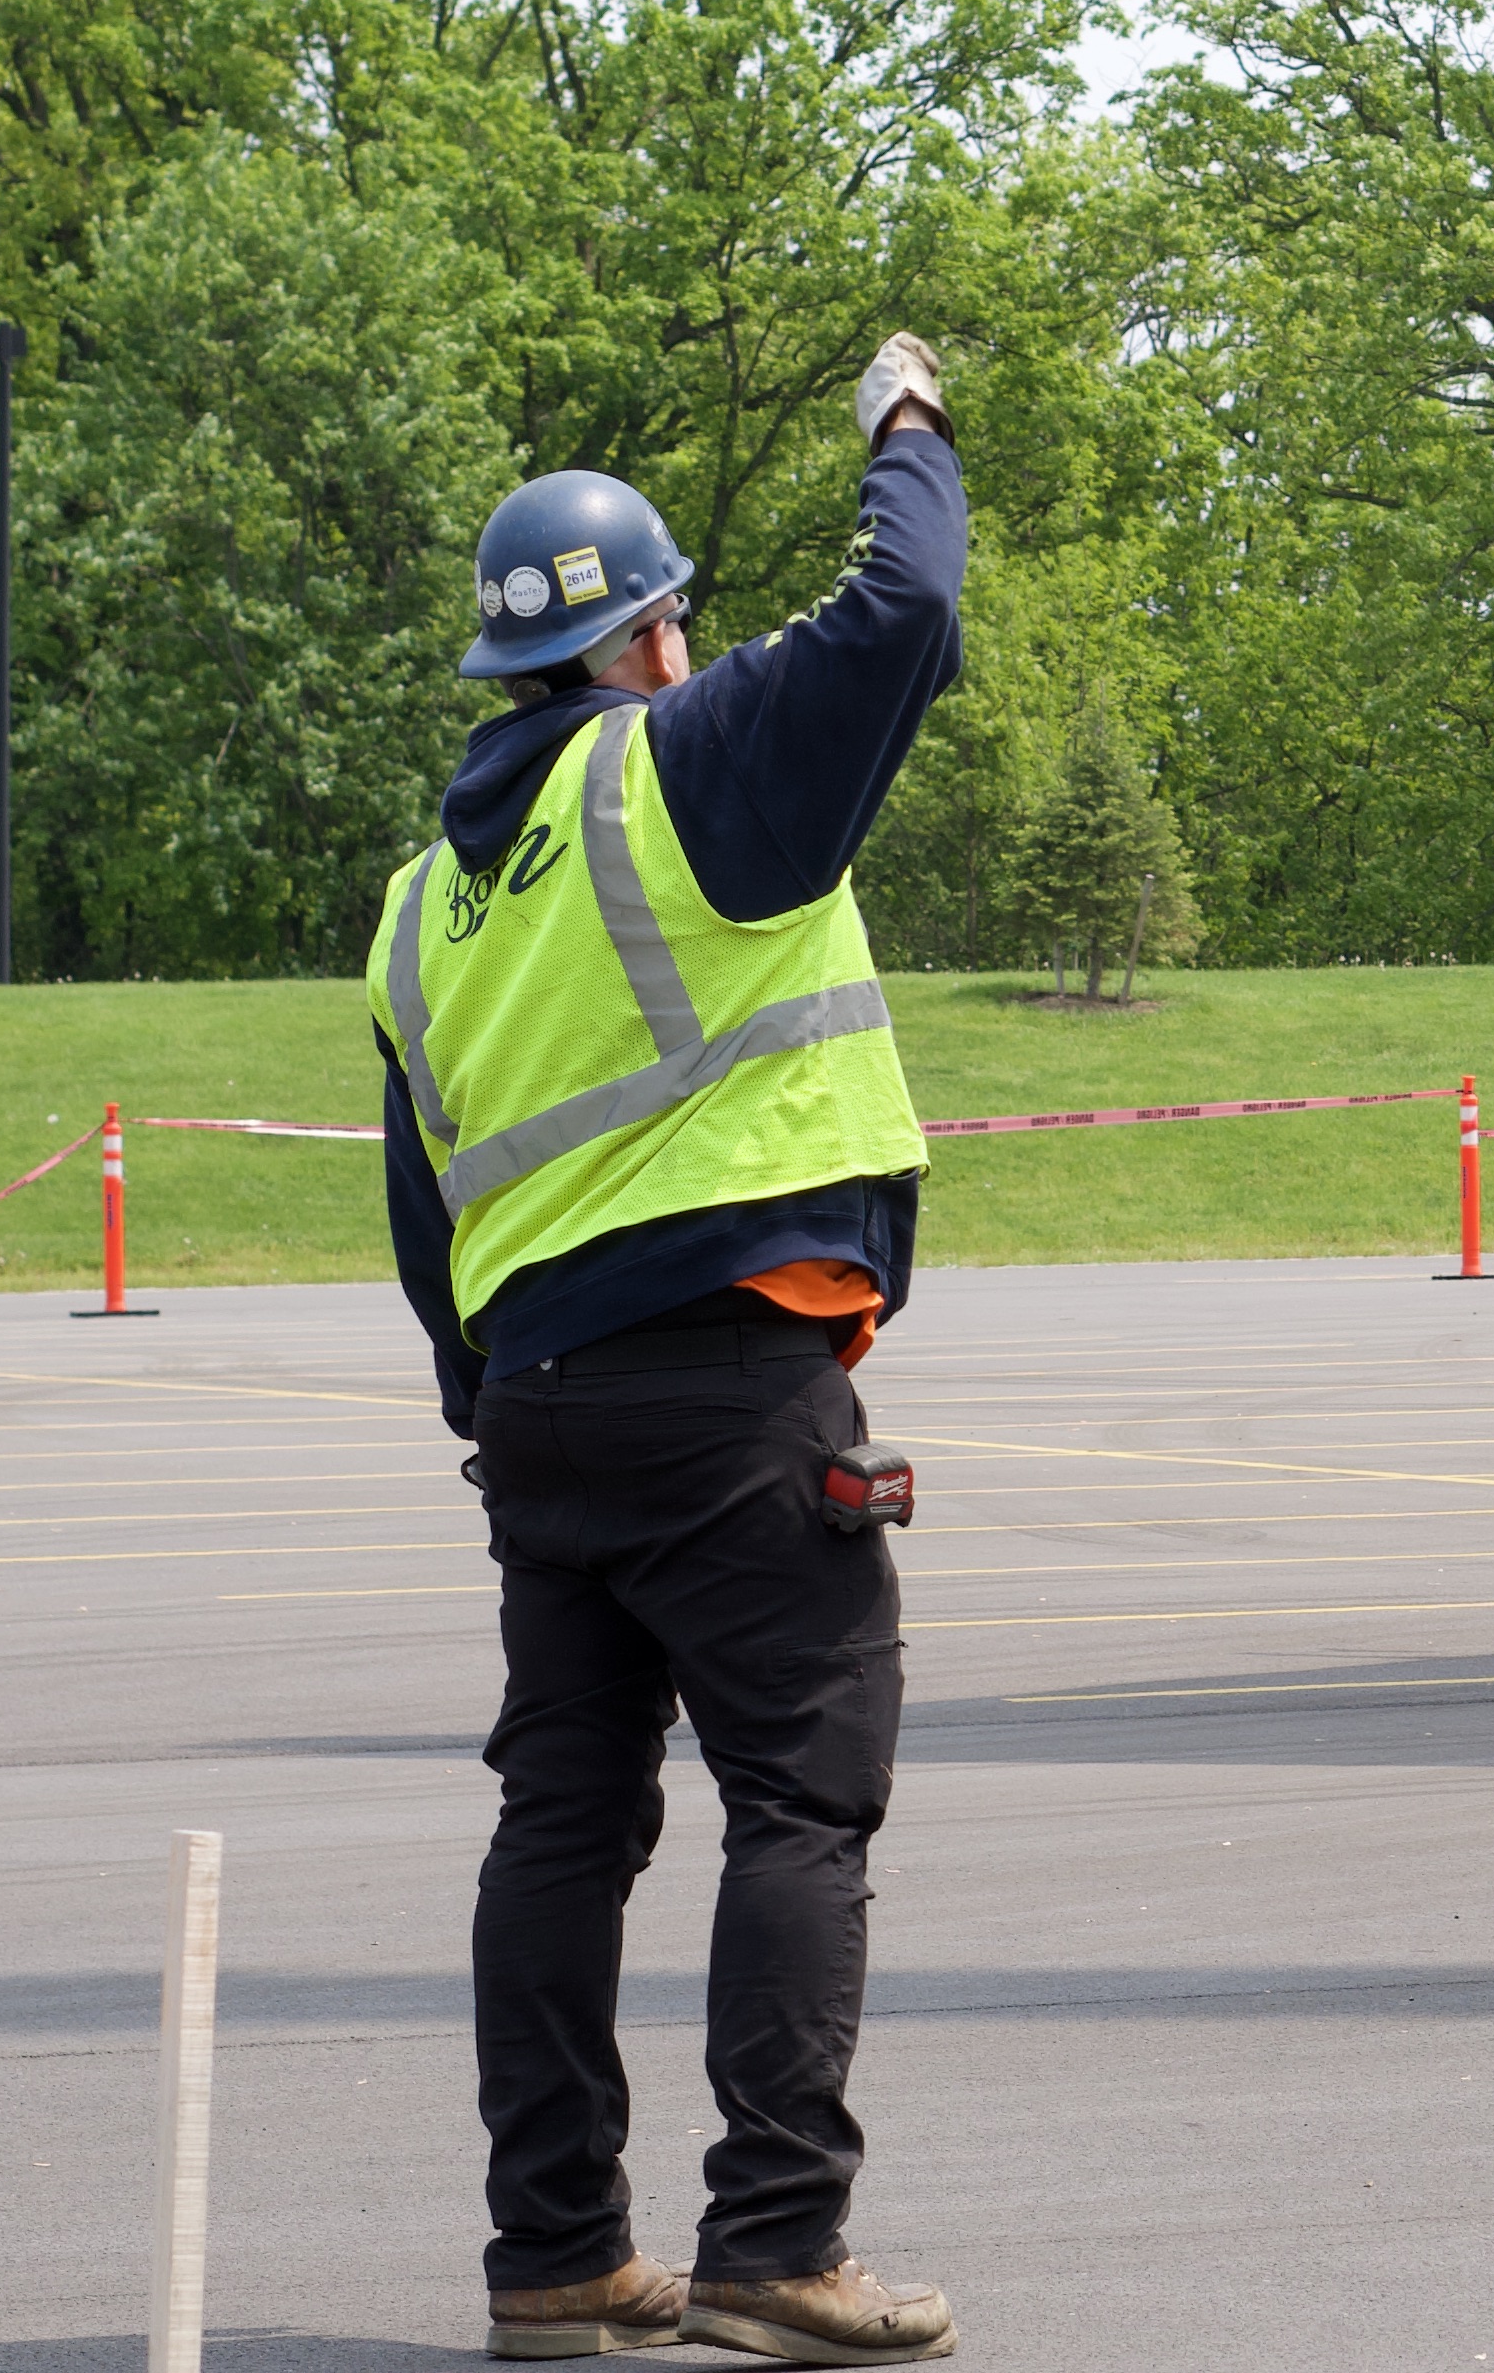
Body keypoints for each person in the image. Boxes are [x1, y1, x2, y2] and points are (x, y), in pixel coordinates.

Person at [369, 335, 972, 2366]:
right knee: (804, 1793)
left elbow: (426, 1207)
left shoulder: (420, 908)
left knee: (564, 1816)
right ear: (644, 643)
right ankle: (775, 2240)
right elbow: (908, 606)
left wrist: (502, 1414)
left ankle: (556, 2252)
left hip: (542, 1409)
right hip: (731, 1369)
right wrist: (908, 422)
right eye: (681, 621)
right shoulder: (685, 764)